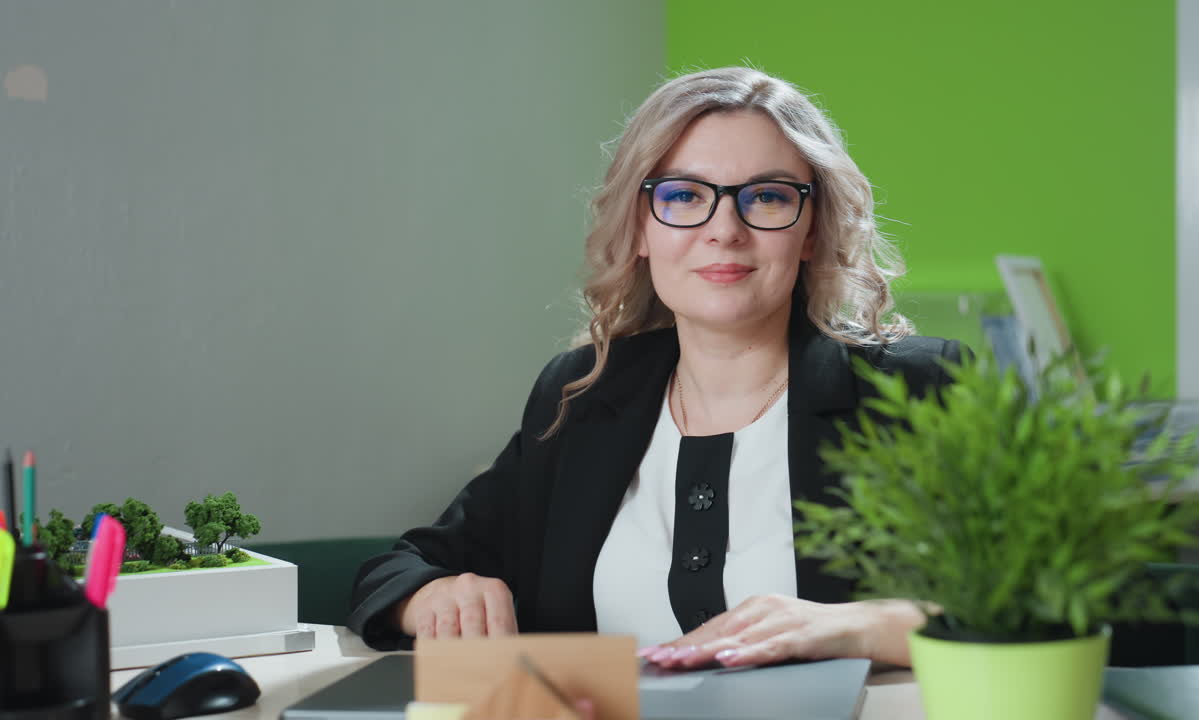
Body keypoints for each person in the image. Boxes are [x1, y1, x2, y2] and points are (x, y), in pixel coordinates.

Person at [348, 67, 966, 671]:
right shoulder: (582, 396)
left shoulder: (920, 390)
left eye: (768, 196)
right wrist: (433, 596)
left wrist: (864, 625)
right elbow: (403, 567)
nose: (725, 230)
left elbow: (1024, 602)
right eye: (684, 195)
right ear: (640, 228)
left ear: (810, 231)